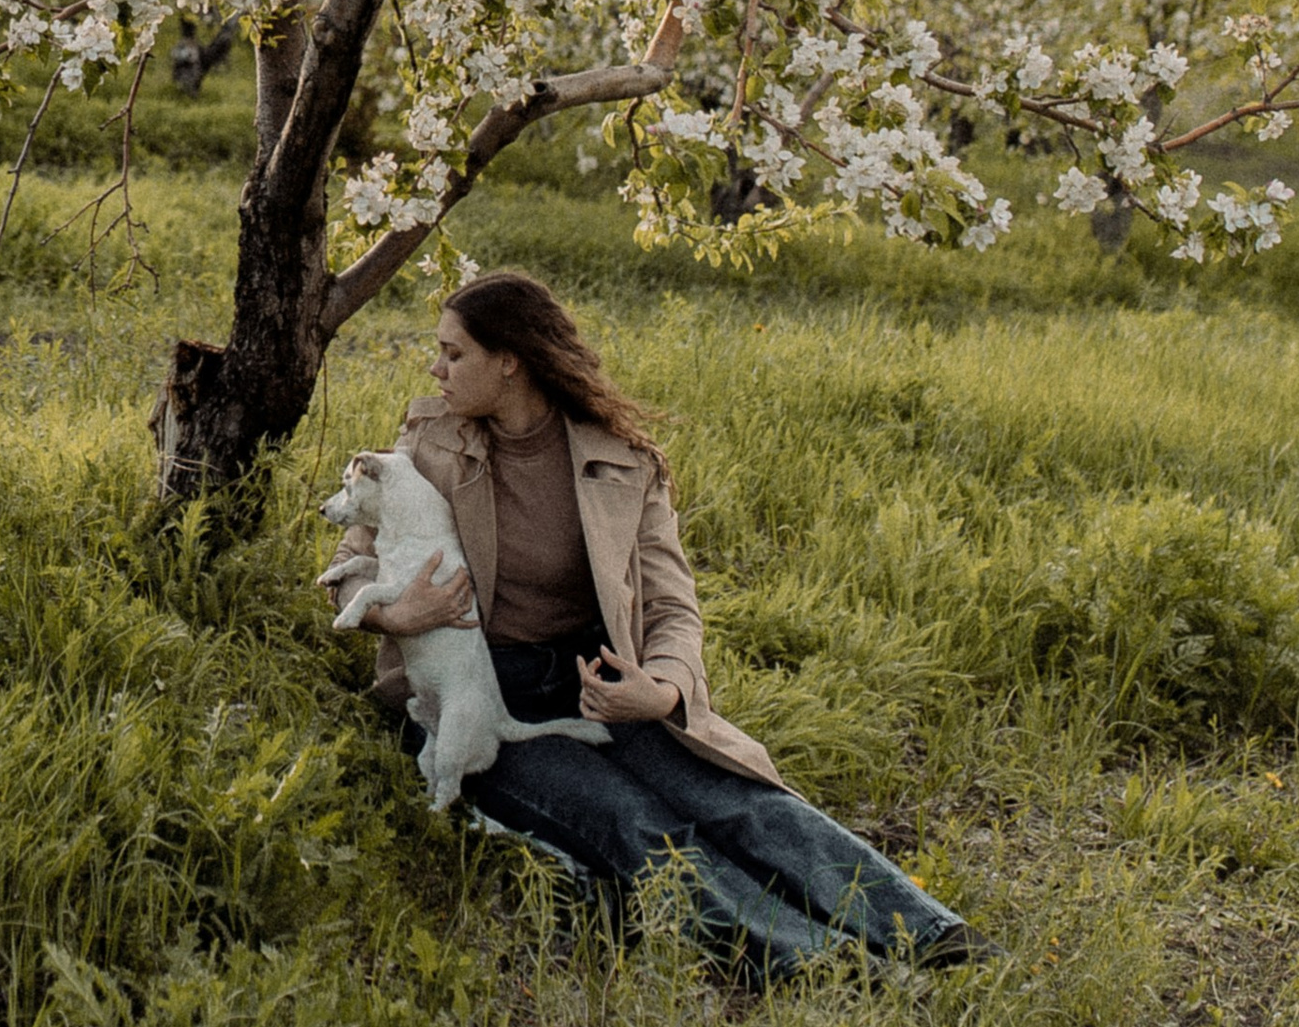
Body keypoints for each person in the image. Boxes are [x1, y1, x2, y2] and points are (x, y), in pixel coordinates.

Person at [335, 270, 972, 980]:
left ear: (509, 360)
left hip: (602, 681)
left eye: (454, 353)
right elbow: (353, 559)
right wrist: (396, 613)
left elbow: (671, 604)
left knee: (740, 803)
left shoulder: (620, 459)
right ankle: (822, 968)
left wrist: (664, 690)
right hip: (483, 695)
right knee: (631, 819)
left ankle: (934, 937)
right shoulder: (429, 441)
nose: (436, 367)